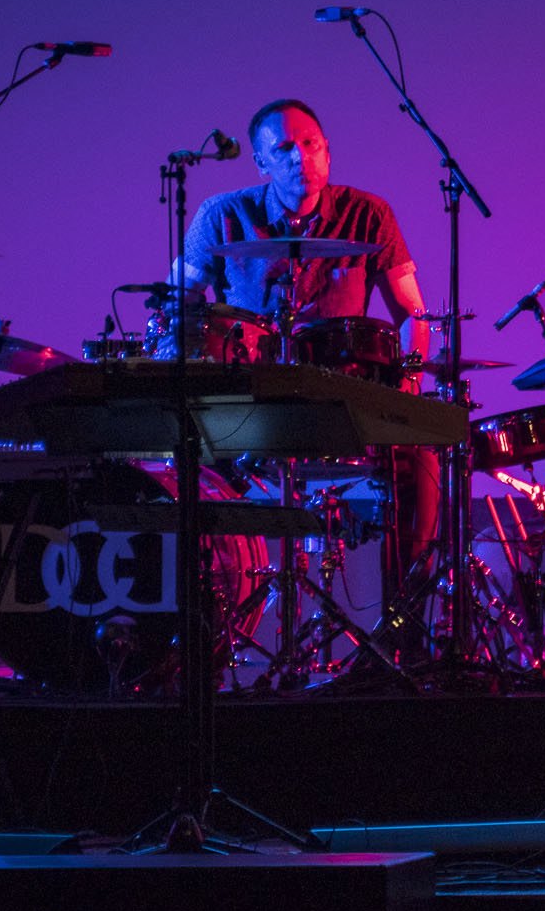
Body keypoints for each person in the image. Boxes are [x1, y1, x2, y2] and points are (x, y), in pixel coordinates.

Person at [174, 98, 439, 594]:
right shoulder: (222, 215)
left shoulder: (369, 213)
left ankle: (401, 633)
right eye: (285, 148)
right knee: (186, 459)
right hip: (250, 399)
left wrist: (407, 384)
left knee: (422, 458)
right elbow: (175, 304)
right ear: (261, 163)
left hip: (343, 398)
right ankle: (201, 614)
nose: (301, 157)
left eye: (311, 144)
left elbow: (412, 315)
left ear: (328, 151)